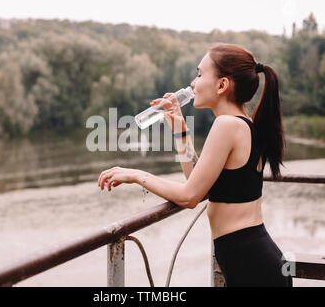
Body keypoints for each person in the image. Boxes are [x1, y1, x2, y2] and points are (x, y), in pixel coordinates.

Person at [97, 43, 292, 287]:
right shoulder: (243, 124)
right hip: (257, 260)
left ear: (222, 85)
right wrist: (181, 134)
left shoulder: (227, 125)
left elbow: (189, 197)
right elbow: (202, 185)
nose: (192, 83)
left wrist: (137, 175)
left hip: (251, 265)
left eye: (200, 74)